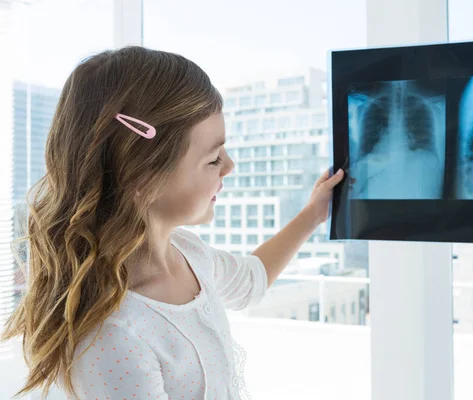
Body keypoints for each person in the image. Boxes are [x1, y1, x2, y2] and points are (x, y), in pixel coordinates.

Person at [1, 46, 344, 400]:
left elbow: (250, 279)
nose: (230, 166)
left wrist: (313, 214)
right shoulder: (113, 334)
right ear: (143, 176)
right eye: (213, 159)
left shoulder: (187, 253)